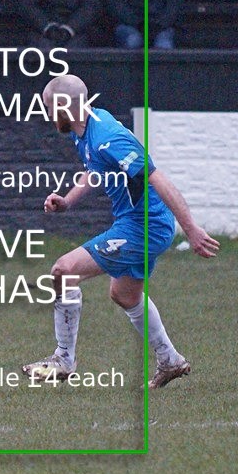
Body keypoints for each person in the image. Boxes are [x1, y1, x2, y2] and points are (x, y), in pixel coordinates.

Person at [22, 74, 220, 389]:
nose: (47, 115)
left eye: (49, 108)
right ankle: (170, 360)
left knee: (63, 271)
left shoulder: (107, 136)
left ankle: (64, 359)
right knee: (124, 294)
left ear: (63, 107)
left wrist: (191, 229)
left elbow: (156, 177)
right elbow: (95, 170)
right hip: (134, 222)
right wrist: (67, 201)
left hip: (145, 226)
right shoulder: (85, 126)